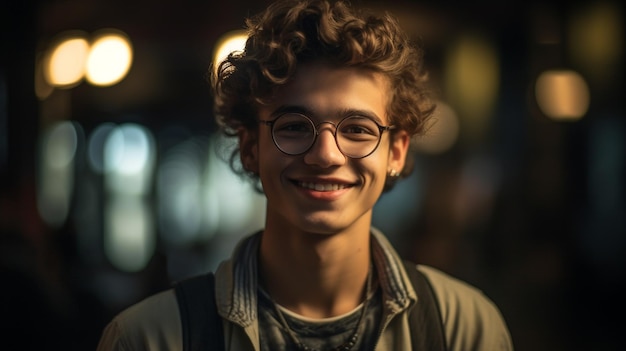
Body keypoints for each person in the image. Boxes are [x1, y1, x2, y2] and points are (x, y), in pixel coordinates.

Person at [97, 0, 514, 350]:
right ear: (249, 148)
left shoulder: (464, 328)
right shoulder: (149, 338)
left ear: (398, 152)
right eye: (294, 126)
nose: (325, 154)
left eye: (357, 130)